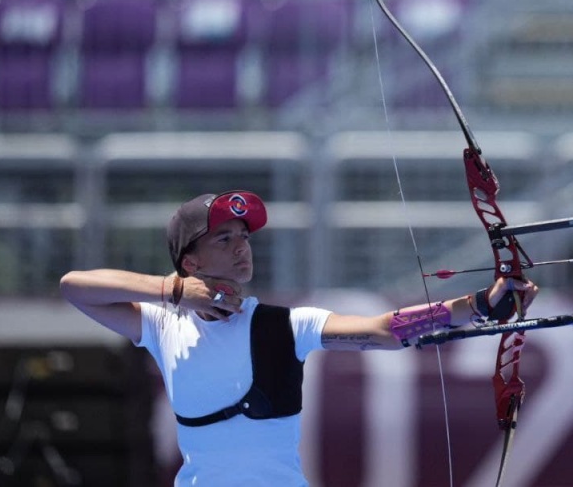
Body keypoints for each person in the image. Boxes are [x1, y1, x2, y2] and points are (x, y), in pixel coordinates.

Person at [60, 190, 538, 487]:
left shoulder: (285, 325)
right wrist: (174, 292)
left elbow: (381, 332)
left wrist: (473, 307)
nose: (242, 246)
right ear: (190, 260)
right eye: (223, 239)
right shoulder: (163, 325)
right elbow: (75, 288)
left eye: (244, 236)